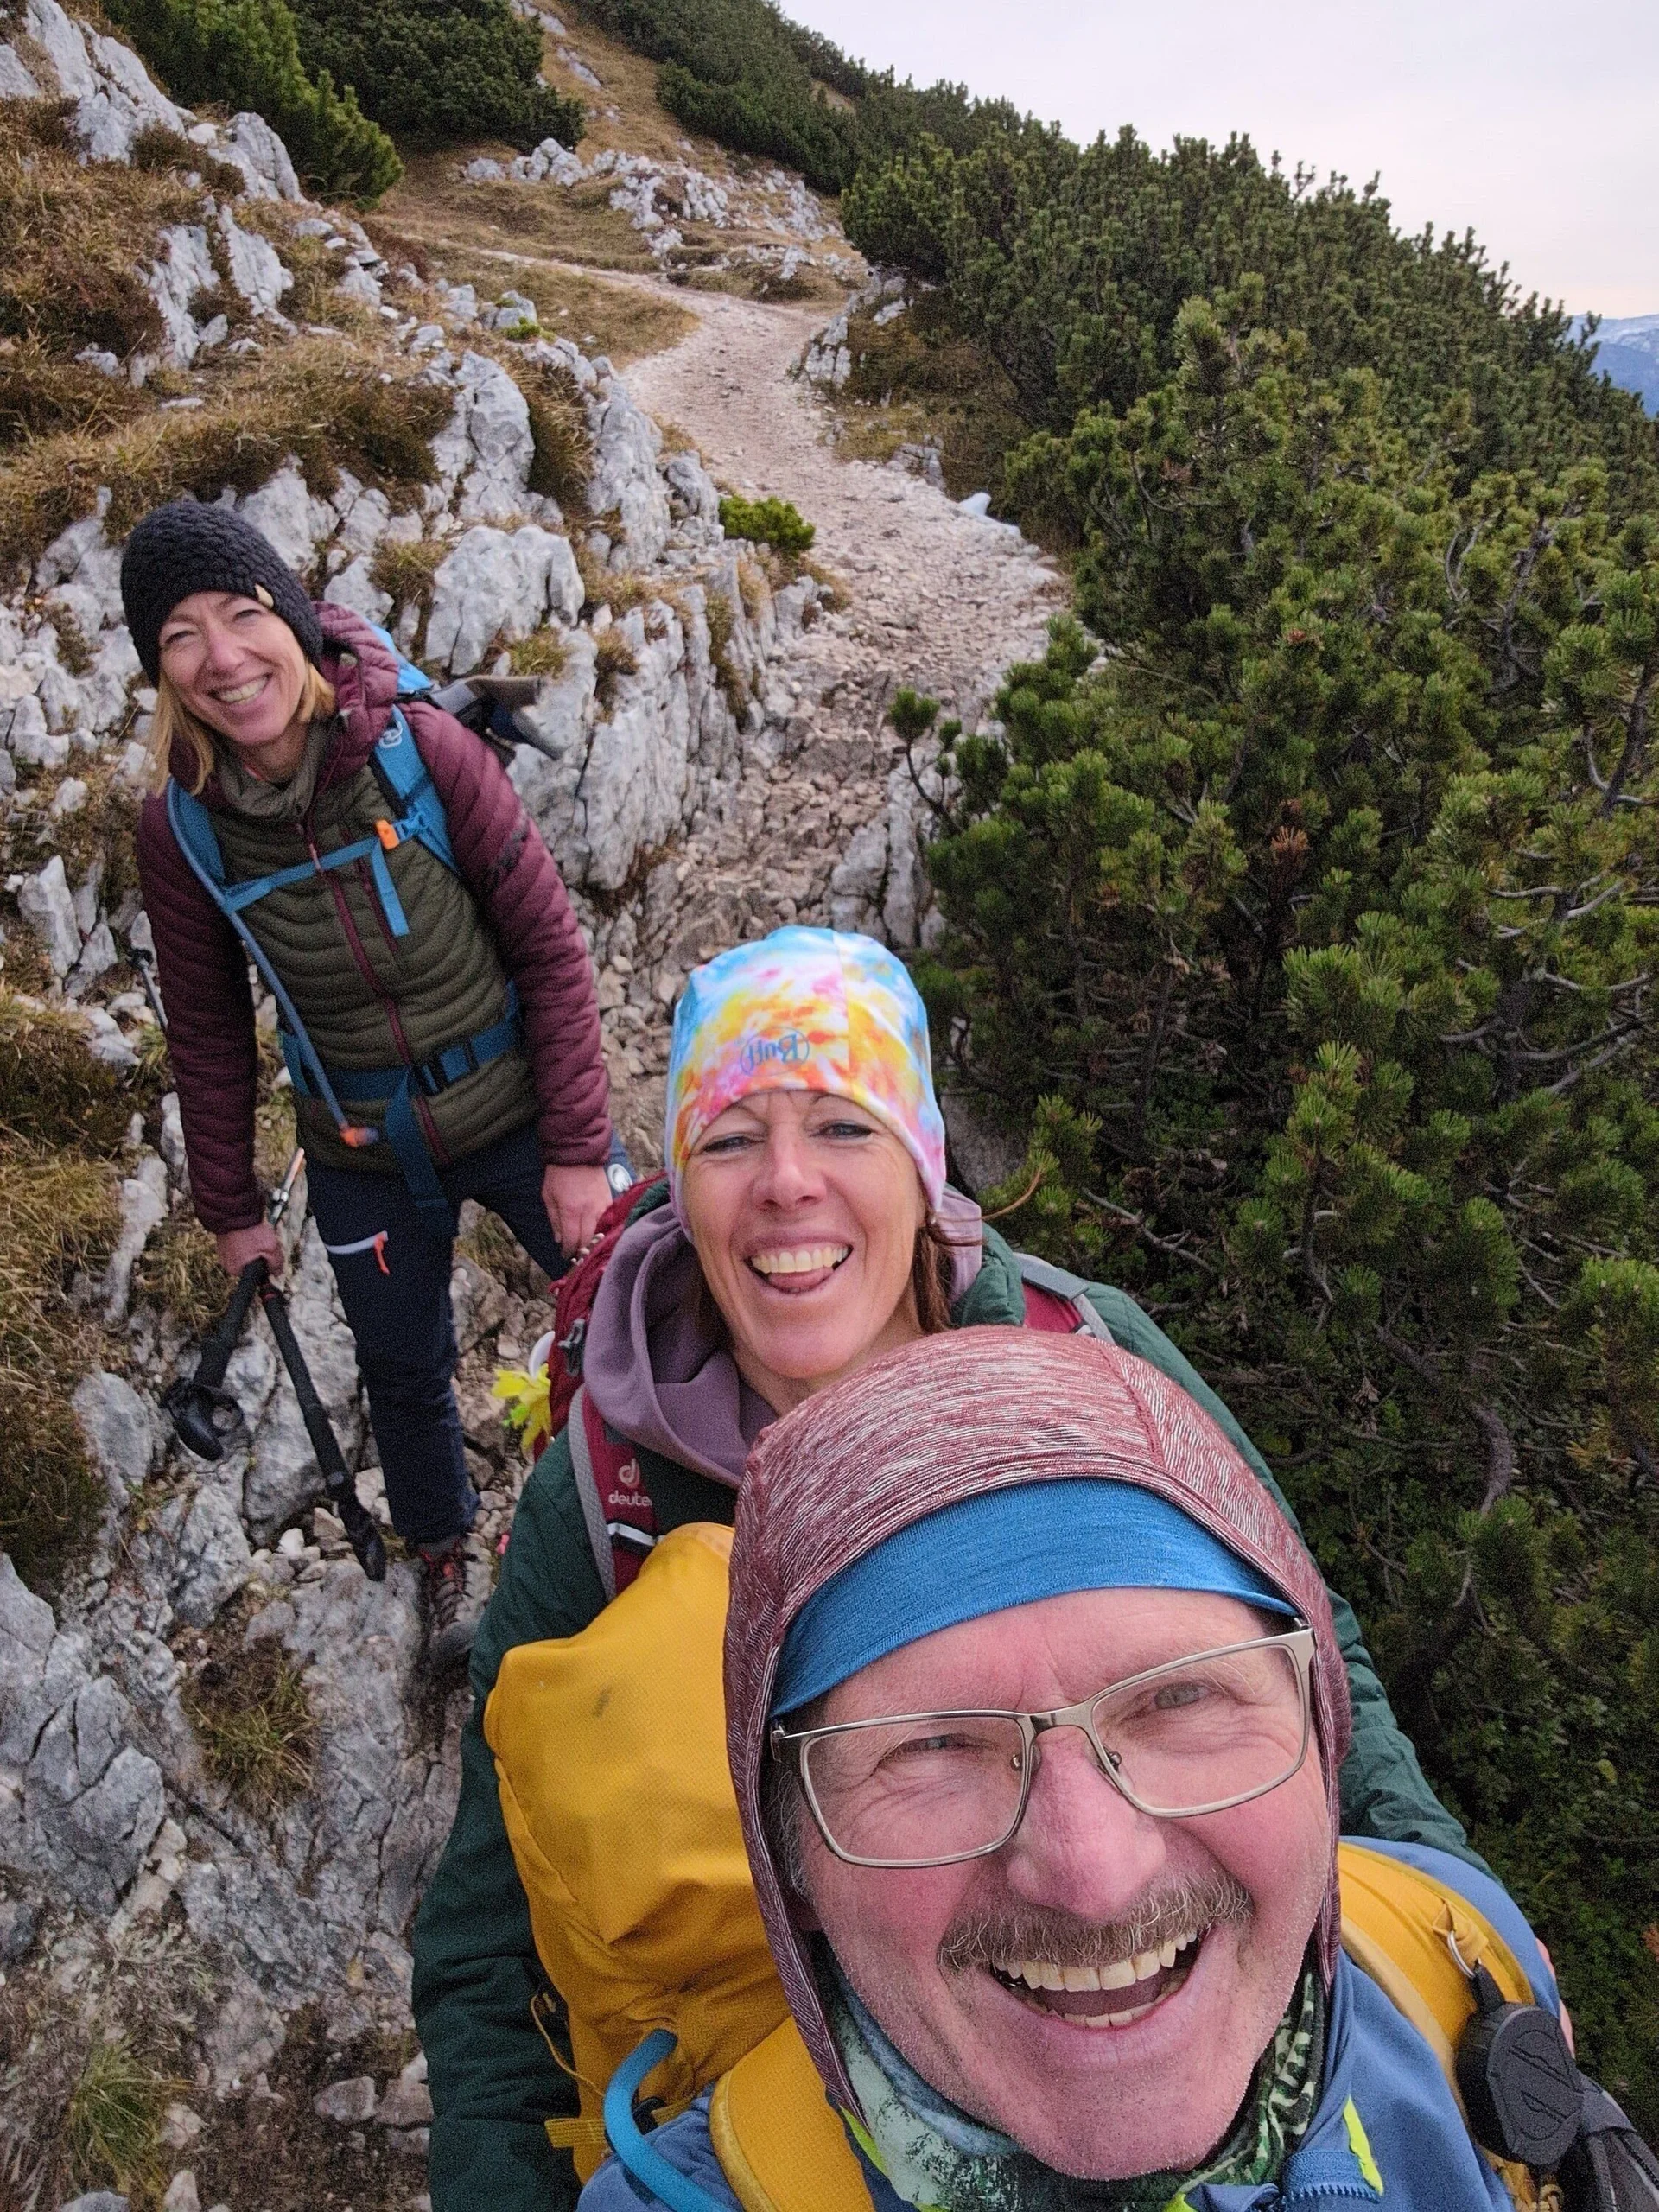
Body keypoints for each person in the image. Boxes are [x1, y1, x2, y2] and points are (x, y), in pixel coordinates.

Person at [412, 925, 1485, 2212]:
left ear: (927, 1171)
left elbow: (1301, 1644)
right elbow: (490, 1921)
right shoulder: (602, 1494)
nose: (787, 1185)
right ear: (681, 1191)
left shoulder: (1089, 1357)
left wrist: (1456, 1911)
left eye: (846, 1127)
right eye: (731, 1138)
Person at [578, 1327, 1574, 2211]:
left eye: (1181, 1699)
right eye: (932, 1747)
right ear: (789, 1858)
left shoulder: (1458, 1959)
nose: (1094, 1875)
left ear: (1321, 1734)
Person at [127, 499, 616, 1665]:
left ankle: (650, 1543)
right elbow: (204, 1033)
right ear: (158, 667)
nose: (222, 658)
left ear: (292, 621)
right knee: (402, 1372)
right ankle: (446, 1568)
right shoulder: (183, 828)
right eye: (180, 635)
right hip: (360, 1147)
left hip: (516, 1110)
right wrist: (233, 1213)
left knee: (632, 1319)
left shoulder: (419, 749)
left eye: (243, 617)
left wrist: (579, 1156)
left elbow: (551, 950)